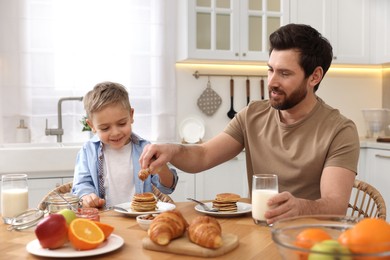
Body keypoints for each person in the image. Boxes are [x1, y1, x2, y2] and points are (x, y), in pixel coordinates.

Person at [139, 24, 360, 224]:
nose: (272, 81)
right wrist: (173, 150)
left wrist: (300, 207)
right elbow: (203, 155)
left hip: (310, 236)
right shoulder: (253, 115)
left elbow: (335, 206)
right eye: (270, 69)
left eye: (284, 73)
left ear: (314, 77)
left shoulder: (339, 130)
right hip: (260, 229)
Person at [72, 81, 178, 208]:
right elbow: (81, 184)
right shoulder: (88, 151)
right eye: (105, 128)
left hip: (140, 218)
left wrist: (162, 168)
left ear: (131, 115)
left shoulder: (145, 149)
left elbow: (168, 188)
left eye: (122, 124)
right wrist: (87, 196)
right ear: (92, 126)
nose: (115, 133)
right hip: (105, 219)